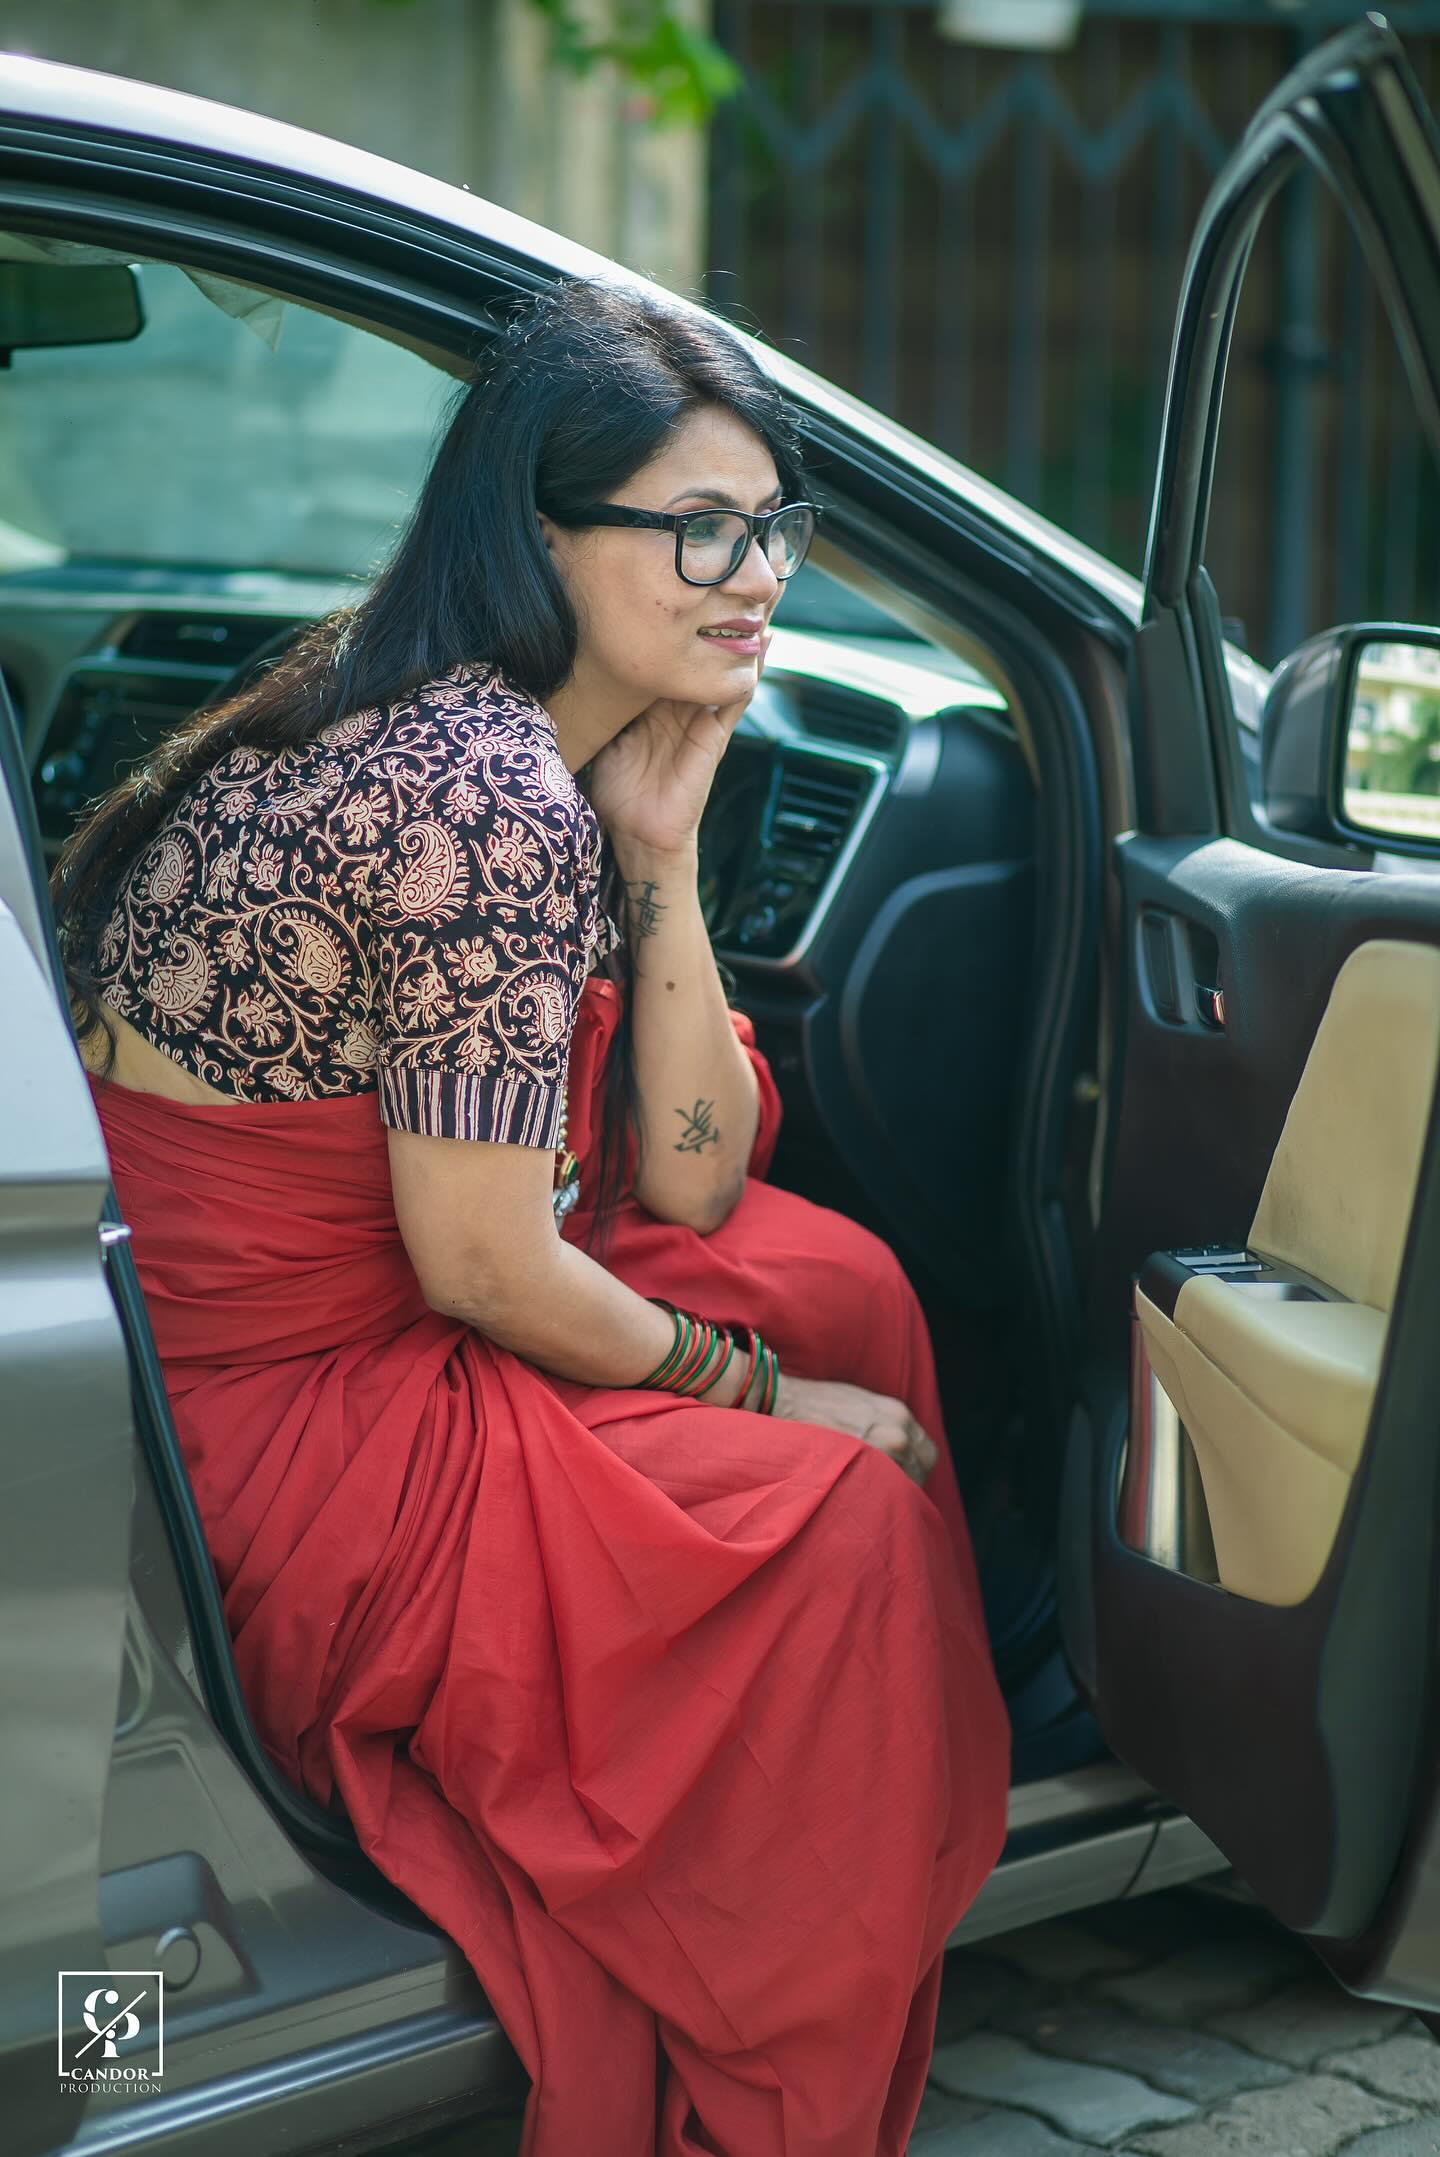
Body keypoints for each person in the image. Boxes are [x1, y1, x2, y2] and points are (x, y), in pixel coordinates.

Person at [56, 276, 1010, 2157]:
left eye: (777, 526)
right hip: (299, 1425)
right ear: (542, 531)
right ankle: (784, 1986)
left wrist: (661, 850)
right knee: (844, 1524)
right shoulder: (480, 792)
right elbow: (488, 1263)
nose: (760, 577)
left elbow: (693, 1174)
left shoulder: (453, 720)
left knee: (839, 1275)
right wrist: (769, 1397)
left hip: (309, 1325)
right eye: (700, 530)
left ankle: (822, 1871)